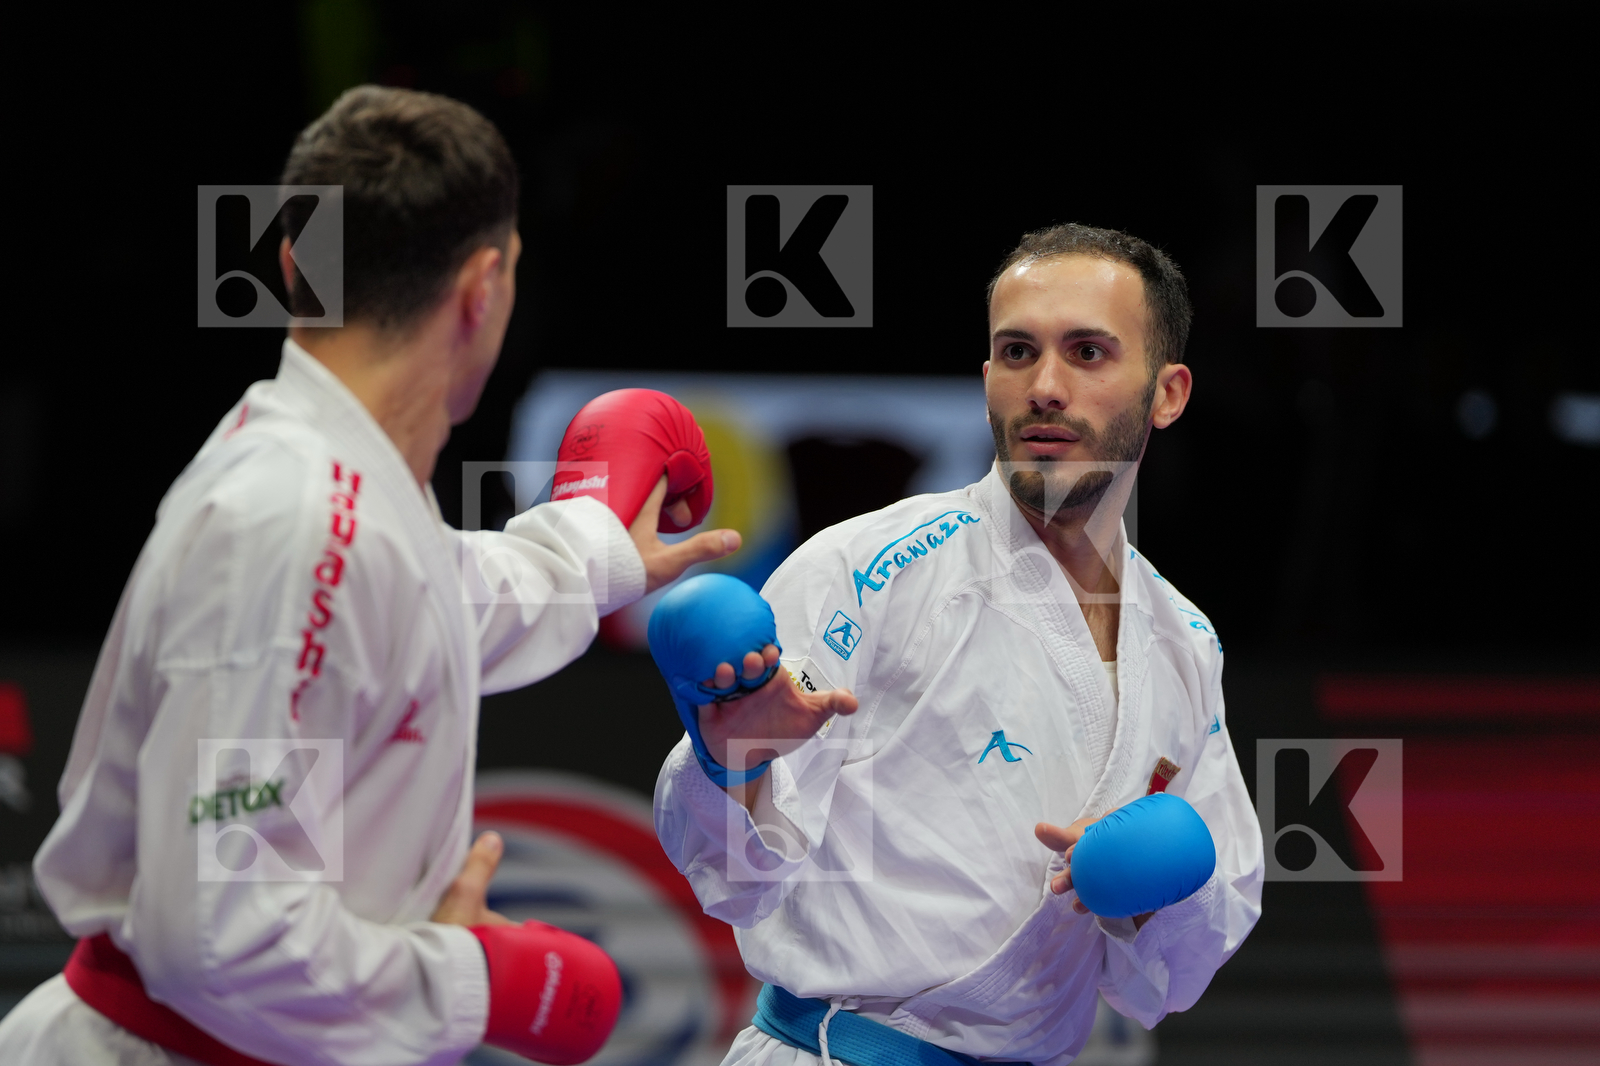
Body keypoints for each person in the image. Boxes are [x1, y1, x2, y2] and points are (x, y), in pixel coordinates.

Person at [0, 86, 737, 1065]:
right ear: (483, 288)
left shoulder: (340, 486)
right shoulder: (293, 521)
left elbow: (425, 603)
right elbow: (221, 931)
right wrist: (478, 981)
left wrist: (591, 548)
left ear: (292, 262)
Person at [654, 224, 1264, 1066]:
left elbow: (1178, 969)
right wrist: (733, 766)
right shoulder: (869, 568)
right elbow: (735, 881)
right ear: (987, 382)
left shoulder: (1184, 640)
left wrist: (1149, 897)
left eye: (1087, 353)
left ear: (1167, 393)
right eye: (1018, 353)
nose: (1044, 387)